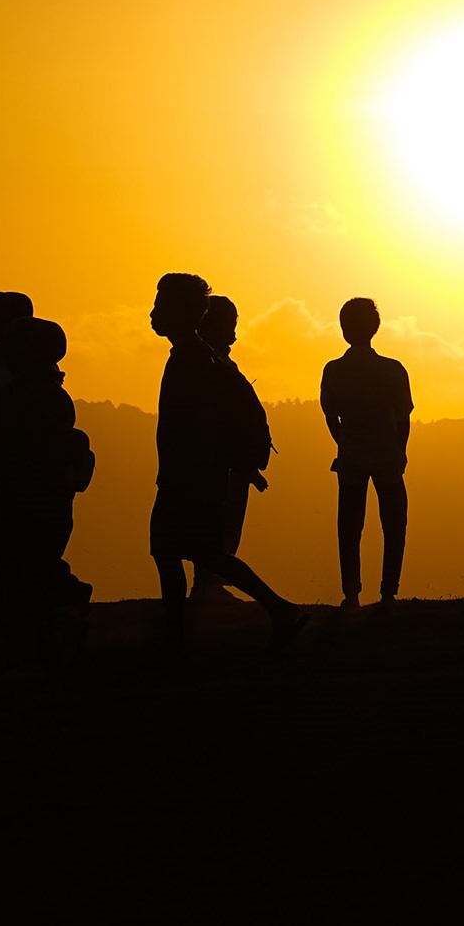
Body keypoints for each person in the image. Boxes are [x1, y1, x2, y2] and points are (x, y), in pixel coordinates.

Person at [148, 272, 309, 654]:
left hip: (190, 481)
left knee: (174, 552)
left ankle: (176, 638)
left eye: (160, 306)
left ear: (183, 313)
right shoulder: (197, 359)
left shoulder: (195, 363)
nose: (152, 314)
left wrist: (193, 478)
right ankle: (279, 611)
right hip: (191, 479)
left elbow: (202, 428)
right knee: (197, 553)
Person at [0, 316, 96, 659]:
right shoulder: (39, 394)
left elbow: (27, 453)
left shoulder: (33, 397)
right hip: (28, 499)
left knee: (22, 571)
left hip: (28, 500)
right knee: (21, 569)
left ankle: (41, 637)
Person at [322, 297, 413, 608]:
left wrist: (343, 441)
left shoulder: (333, 371)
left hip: (351, 453)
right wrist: (400, 450)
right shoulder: (392, 370)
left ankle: (351, 593)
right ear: (375, 328)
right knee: (394, 524)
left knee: (349, 526)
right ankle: (389, 592)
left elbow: (330, 415)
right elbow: (403, 419)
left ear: (344, 330)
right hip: (386, 452)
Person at [200, 292, 271, 582]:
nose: (234, 334)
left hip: (234, 466)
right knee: (220, 529)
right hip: (225, 468)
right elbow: (225, 425)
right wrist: (244, 465)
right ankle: (209, 585)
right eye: (230, 325)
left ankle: (209, 584)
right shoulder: (210, 367)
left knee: (223, 528)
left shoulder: (216, 365)